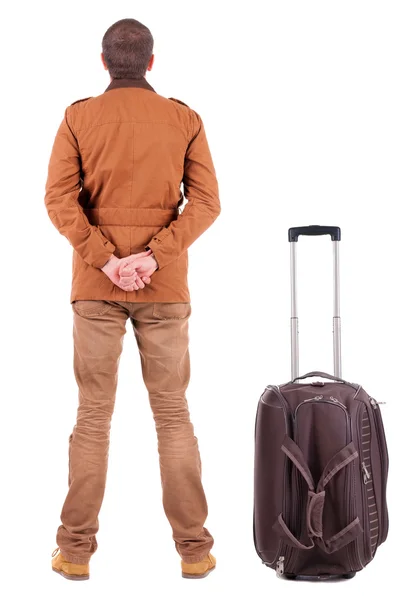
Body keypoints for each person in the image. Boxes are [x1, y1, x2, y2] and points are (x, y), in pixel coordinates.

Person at [45, 17, 220, 581]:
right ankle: (194, 553)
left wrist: (106, 259)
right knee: (173, 414)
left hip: (96, 285)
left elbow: (58, 200)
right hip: (164, 286)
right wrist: (153, 257)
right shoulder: (184, 119)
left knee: (93, 415)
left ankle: (74, 554)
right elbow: (206, 204)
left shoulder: (78, 118)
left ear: (103, 62)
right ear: (150, 62)